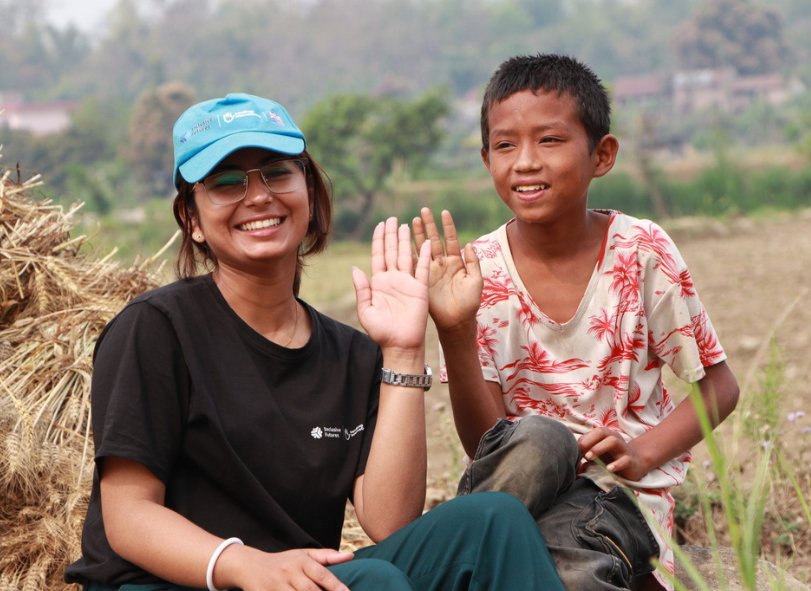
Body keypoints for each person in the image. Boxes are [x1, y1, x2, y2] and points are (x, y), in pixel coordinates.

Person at [64, 93, 568, 591]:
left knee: (494, 521)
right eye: (227, 183)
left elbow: (389, 521)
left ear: (309, 194)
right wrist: (244, 565)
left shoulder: (352, 355)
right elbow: (128, 517)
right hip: (178, 582)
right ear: (192, 220)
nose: (258, 196)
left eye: (277, 173)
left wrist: (403, 351)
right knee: (370, 580)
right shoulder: (156, 329)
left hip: (302, 578)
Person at [412, 55, 741, 591]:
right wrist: (453, 331)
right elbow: (485, 445)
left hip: (615, 497)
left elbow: (719, 388)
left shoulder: (641, 252)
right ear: (485, 158)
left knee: (574, 571)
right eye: (504, 145)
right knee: (540, 440)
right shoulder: (479, 274)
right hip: (520, 489)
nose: (524, 162)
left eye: (549, 140)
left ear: (601, 155)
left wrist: (641, 453)